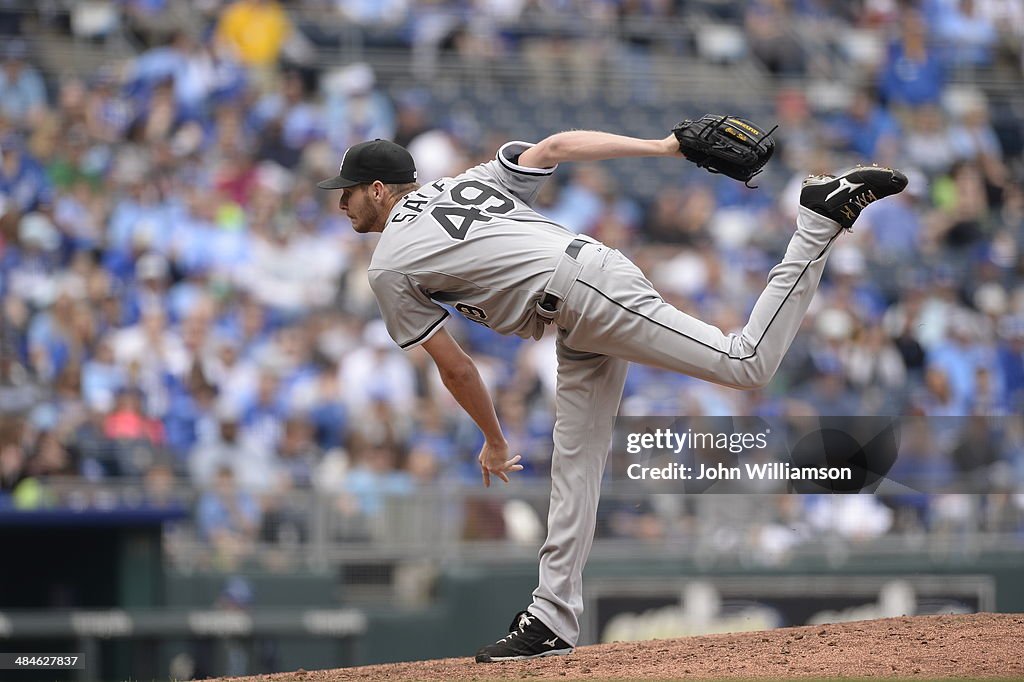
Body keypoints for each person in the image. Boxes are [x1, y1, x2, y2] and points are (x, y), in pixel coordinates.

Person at [317, 132, 907, 662]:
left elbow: (457, 370)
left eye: (348, 192)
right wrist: (665, 146)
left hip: (583, 295)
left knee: (745, 362)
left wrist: (494, 441)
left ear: (378, 190)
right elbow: (553, 149)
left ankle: (815, 223)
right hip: (577, 304)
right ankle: (550, 617)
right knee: (575, 462)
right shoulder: (463, 183)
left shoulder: (388, 264)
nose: (341, 203)